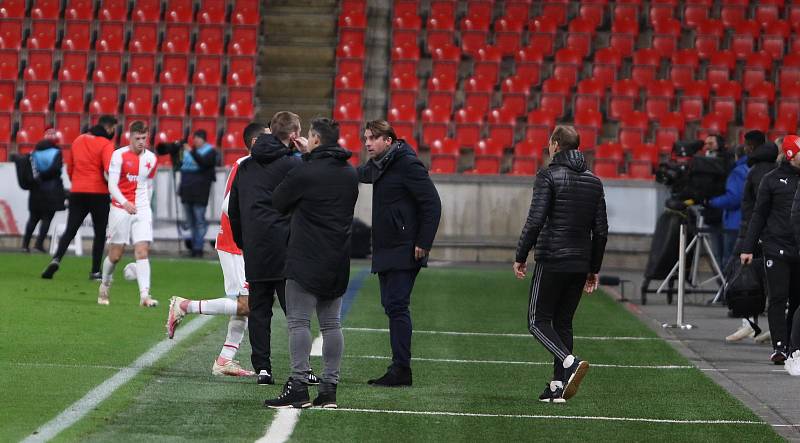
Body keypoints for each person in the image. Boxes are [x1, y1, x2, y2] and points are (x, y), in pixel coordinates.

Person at [264, 117, 359, 409]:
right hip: (338, 258)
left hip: (306, 257)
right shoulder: (350, 173)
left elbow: (278, 201)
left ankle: (299, 386)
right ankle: (329, 389)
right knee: (331, 324)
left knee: (298, 322)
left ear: (315, 138)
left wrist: (306, 160)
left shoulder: (306, 171)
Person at [513, 125, 607, 403]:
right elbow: (601, 230)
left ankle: (569, 362)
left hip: (553, 258)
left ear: (555, 144)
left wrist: (521, 255)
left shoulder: (548, 175)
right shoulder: (594, 181)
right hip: (580, 262)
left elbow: (535, 220)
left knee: (536, 321)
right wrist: (594, 268)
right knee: (563, 322)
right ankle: (557, 386)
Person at [166, 122, 267, 377]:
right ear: (256, 143)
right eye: (268, 139)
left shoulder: (254, 165)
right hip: (235, 243)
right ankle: (185, 306)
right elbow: (227, 205)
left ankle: (225, 360)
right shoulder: (245, 165)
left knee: (246, 304)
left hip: (246, 244)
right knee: (247, 305)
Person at [357, 120, 442, 387]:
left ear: (388, 141)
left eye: (373, 138)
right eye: (366, 138)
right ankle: (399, 368)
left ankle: (401, 370)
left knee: (396, 306)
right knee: (393, 306)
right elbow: (357, 174)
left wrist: (423, 241)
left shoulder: (406, 163)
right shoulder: (381, 164)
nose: (368, 143)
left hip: (404, 247)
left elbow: (432, 203)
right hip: (388, 247)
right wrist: (318, 159)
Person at [227, 114, 300, 385]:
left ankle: (263, 369)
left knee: (259, 310)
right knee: (295, 311)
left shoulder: (245, 167)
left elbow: (233, 210)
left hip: (256, 248)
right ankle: (299, 368)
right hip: (286, 247)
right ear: (292, 135)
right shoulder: (291, 165)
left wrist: (244, 241)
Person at [741, 135, 800, 365]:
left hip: (799, 249)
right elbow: (758, 215)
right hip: (776, 248)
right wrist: (747, 247)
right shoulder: (771, 180)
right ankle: (779, 347)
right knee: (777, 299)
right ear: (789, 155)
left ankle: (795, 347)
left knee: (797, 301)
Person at [42, 115, 117, 280]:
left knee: (70, 229)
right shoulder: (106, 144)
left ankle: (56, 259)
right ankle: (95, 271)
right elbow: (108, 169)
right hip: (99, 192)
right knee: (99, 233)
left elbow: (70, 167)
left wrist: (76, 182)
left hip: (77, 191)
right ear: (110, 128)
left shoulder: (78, 140)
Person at [97, 121, 158, 307]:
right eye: (137, 138)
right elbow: (112, 185)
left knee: (142, 250)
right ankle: (105, 285)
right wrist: (125, 203)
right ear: (129, 137)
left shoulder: (152, 159)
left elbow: (149, 185)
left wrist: (145, 205)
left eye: (144, 138)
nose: (141, 142)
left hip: (141, 208)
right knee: (115, 255)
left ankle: (144, 296)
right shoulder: (119, 155)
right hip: (119, 207)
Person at [726, 130, 777, 343]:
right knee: (772, 281)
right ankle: (777, 328)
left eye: (746, 145)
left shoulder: (755, 172)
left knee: (743, 277)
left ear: (751, 146)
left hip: (752, 232)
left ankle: (749, 324)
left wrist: (750, 236)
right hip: (772, 234)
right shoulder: (775, 170)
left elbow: (755, 208)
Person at [22, 128, 65, 253]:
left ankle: (25, 244)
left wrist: (39, 176)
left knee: (33, 218)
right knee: (47, 218)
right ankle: (39, 244)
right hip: (51, 190)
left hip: (35, 190)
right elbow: (56, 169)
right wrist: (45, 175)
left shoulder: (34, 153)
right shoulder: (56, 152)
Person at [706, 144, 749, 268]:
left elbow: (734, 199)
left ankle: (728, 287)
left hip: (734, 223)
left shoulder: (738, 171)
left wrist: (711, 202)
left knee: (729, 262)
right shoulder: (749, 168)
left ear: (736, 156)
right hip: (742, 221)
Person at [179, 129, 217, 257]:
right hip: (187, 190)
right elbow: (182, 167)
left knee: (199, 220)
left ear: (204, 139)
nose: (196, 140)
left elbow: (204, 163)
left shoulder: (210, 152)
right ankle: (195, 246)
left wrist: (191, 151)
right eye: (195, 138)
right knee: (191, 221)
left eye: (198, 138)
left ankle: (198, 248)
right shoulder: (188, 152)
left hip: (200, 191)